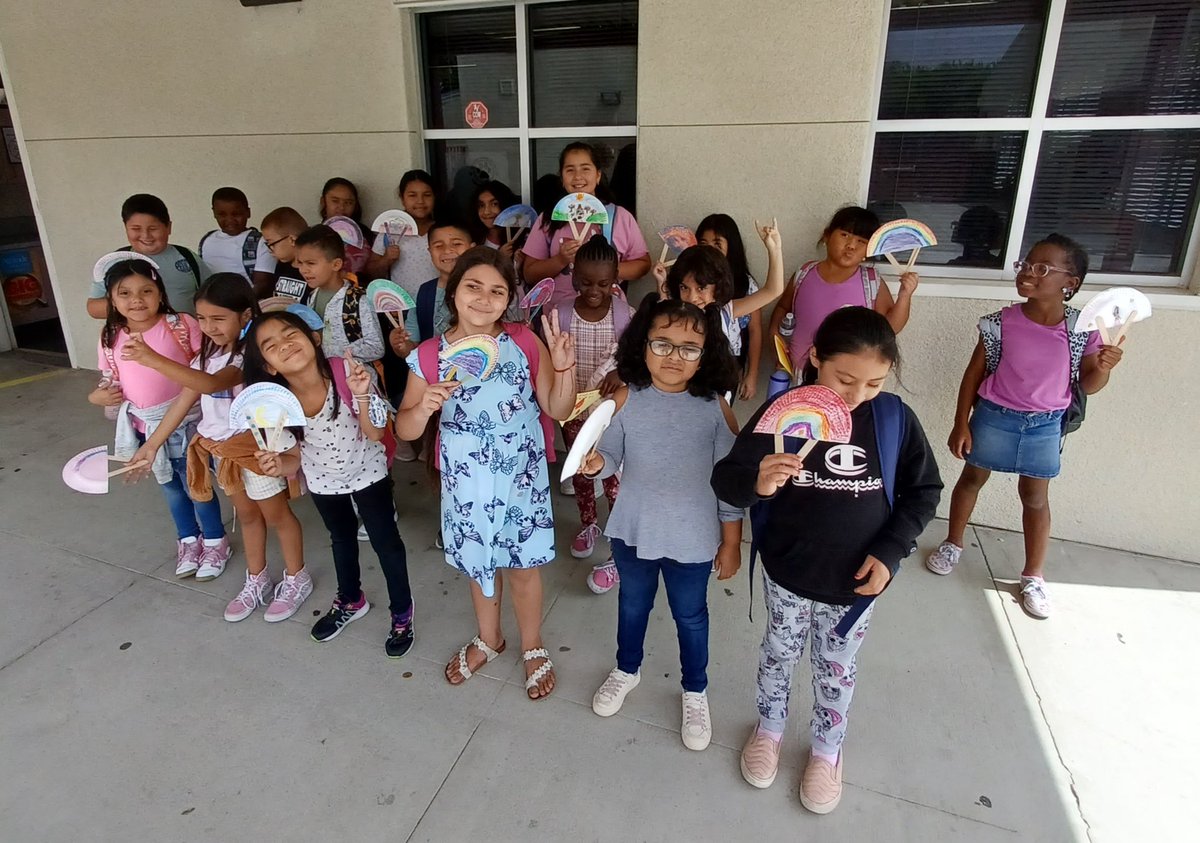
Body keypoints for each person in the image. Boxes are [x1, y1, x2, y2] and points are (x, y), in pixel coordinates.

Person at [712, 306, 943, 814]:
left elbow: (924, 491)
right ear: (814, 357)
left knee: (836, 669)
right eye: (844, 379)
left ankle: (825, 752)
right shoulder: (783, 412)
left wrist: (890, 551)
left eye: (875, 383)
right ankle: (769, 728)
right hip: (789, 572)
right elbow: (727, 477)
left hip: (855, 583)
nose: (857, 396)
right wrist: (759, 481)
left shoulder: (894, 420)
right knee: (778, 654)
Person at [395, 247, 577, 700]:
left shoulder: (523, 341)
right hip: (466, 482)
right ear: (453, 291)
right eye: (473, 286)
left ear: (507, 300)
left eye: (497, 291)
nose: (484, 298)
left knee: (522, 567)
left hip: (521, 478)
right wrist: (423, 406)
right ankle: (489, 638)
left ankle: (531, 645)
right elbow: (403, 427)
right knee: (481, 567)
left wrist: (563, 365)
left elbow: (558, 408)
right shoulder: (430, 354)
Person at [925, 234, 1124, 619]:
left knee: (1035, 498)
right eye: (1026, 264)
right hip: (994, 417)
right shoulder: (1000, 324)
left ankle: (1033, 575)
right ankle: (953, 542)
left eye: (1042, 268)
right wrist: (960, 423)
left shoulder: (1083, 330)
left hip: (1045, 426)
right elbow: (972, 376)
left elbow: (1089, 385)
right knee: (970, 480)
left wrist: (1103, 366)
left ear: (1071, 282)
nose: (1028, 273)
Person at [580, 296, 743, 752]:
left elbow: (728, 484)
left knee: (690, 616)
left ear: (706, 352)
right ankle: (626, 670)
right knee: (632, 605)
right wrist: (596, 464)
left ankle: (695, 690)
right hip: (635, 529)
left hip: (693, 538)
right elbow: (610, 457)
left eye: (689, 347)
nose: (674, 356)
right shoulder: (625, 398)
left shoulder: (715, 409)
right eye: (663, 344)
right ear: (642, 345)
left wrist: (732, 541)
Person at [126, 275, 311, 622]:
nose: (208, 327)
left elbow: (211, 385)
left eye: (218, 318)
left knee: (276, 516)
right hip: (221, 453)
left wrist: (152, 359)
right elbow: (185, 399)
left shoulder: (247, 357)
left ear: (244, 316)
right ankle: (256, 579)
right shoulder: (204, 356)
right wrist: (152, 445)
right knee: (246, 515)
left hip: (256, 451)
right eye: (202, 318)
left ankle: (296, 577)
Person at [245, 311, 416, 658]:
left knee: (387, 544)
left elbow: (374, 433)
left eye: (290, 334)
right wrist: (279, 465)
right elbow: (294, 458)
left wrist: (363, 394)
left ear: (314, 338)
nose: (285, 345)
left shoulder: (347, 372)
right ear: (269, 367)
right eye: (272, 345)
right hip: (323, 481)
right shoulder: (278, 405)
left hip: (368, 473)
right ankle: (351, 599)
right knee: (341, 539)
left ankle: (402, 613)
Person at [87, 256, 227, 576]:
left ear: (160, 294)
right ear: (111, 298)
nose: (136, 300)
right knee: (170, 487)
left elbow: (205, 367)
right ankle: (189, 539)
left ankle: (216, 541)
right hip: (143, 426)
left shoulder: (180, 325)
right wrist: (97, 396)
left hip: (187, 422)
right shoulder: (110, 335)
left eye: (146, 291)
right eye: (124, 293)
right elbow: (110, 379)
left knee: (196, 484)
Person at [555, 236, 634, 591]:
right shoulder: (561, 314)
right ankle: (588, 522)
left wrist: (622, 372)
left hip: (611, 413)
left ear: (616, 278)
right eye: (585, 282)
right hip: (574, 409)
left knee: (615, 481)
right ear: (573, 275)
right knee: (581, 473)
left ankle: (619, 549)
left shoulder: (624, 314)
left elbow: (636, 358)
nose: (593, 290)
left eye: (603, 283)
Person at [767, 206, 918, 368]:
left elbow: (890, 328)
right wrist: (775, 335)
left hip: (845, 378)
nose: (851, 246)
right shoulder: (804, 273)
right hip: (798, 372)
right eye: (845, 235)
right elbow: (783, 307)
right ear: (827, 236)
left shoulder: (872, 281)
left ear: (870, 249)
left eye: (861, 241)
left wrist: (905, 295)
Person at [522, 141, 651, 308]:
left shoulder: (620, 217)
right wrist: (560, 260)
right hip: (558, 317)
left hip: (609, 316)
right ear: (562, 178)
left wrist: (606, 266)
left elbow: (643, 264)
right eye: (570, 170)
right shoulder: (547, 219)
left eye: (585, 168)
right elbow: (529, 273)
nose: (577, 177)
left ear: (597, 175)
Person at [660, 221, 785, 364]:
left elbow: (773, 290)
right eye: (684, 288)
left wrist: (775, 250)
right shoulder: (676, 314)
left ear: (718, 286)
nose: (692, 298)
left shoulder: (726, 311)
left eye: (701, 288)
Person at [87, 194, 206, 318]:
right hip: (137, 336)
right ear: (126, 228)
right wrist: (133, 305)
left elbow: (210, 296)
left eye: (153, 228)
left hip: (188, 335)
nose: (145, 235)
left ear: (168, 227)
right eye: (136, 228)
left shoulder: (186, 256)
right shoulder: (116, 262)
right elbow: (93, 307)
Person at [293, 225, 383, 374]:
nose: (303, 270)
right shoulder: (312, 297)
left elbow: (376, 347)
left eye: (311, 263)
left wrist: (329, 350)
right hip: (327, 380)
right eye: (300, 263)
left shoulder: (358, 299)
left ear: (336, 264)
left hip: (359, 384)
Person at [697, 213, 762, 400]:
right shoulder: (689, 281)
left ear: (730, 248)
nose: (709, 250)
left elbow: (755, 330)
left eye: (717, 244)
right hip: (693, 360)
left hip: (728, 365)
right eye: (703, 244)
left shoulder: (745, 284)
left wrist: (752, 374)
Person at [366, 170, 438, 297]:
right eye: (412, 195)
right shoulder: (389, 231)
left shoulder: (442, 230)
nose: (420, 201)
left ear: (434, 196)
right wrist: (386, 259)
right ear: (402, 198)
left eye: (427, 195)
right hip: (402, 306)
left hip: (437, 303)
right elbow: (371, 272)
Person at [198, 187, 275, 293]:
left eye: (236, 214)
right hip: (212, 304)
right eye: (222, 214)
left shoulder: (260, 242)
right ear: (214, 213)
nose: (230, 220)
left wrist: (237, 305)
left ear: (248, 212)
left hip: (246, 304)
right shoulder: (207, 240)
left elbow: (262, 284)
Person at [259, 207, 309, 302]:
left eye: (271, 243)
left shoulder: (310, 272)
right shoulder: (281, 266)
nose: (270, 249)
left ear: (292, 240)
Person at [472, 179, 522, 257]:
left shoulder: (521, 237)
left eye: (494, 204)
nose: (486, 212)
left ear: (506, 206)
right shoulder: (474, 241)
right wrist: (499, 257)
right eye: (481, 205)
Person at [317, 177, 372, 245]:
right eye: (335, 201)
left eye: (348, 202)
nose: (342, 207)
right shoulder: (313, 236)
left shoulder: (367, 236)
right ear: (323, 201)